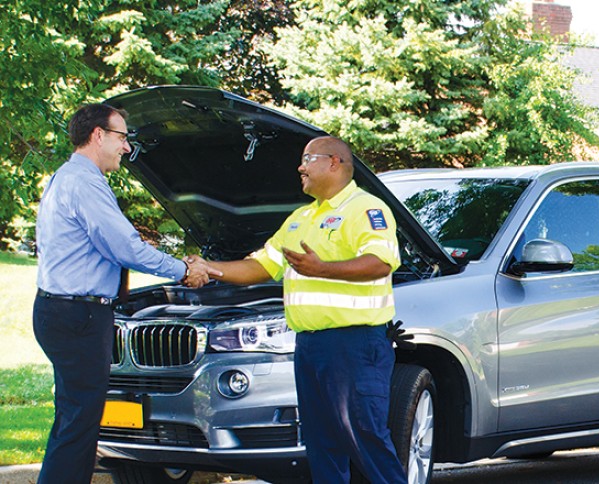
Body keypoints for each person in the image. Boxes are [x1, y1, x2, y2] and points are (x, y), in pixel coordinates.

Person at [201, 136, 406, 483]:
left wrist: (323, 268)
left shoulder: (365, 209)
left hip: (354, 344)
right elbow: (262, 266)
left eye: (308, 159)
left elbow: (380, 263)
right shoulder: (300, 219)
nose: (300, 167)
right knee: (321, 444)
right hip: (310, 347)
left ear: (334, 162)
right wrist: (209, 268)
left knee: (365, 438)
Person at [33, 103, 214, 483]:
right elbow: (125, 247)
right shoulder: (85, 183)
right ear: (98, 135)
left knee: (73, 420)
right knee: (79, 424)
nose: (126, 148)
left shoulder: (65, 177)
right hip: (78, 316)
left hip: (61, 311)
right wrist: (183, 270)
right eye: (122, 137)